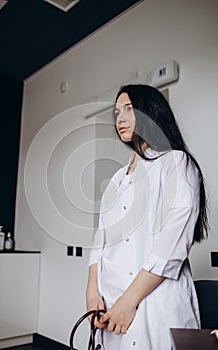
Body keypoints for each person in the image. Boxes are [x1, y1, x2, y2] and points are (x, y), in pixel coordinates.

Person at [86, 84, 208, 350]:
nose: (119, 118)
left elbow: (171, 246)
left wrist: (129, 302)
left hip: (153, 302)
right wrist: (92, 291)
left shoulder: (176, 163)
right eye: (117, 112)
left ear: (152, 112)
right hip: (111, 303)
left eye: (129, 109)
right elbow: (100, 241)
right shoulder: (117, 180)